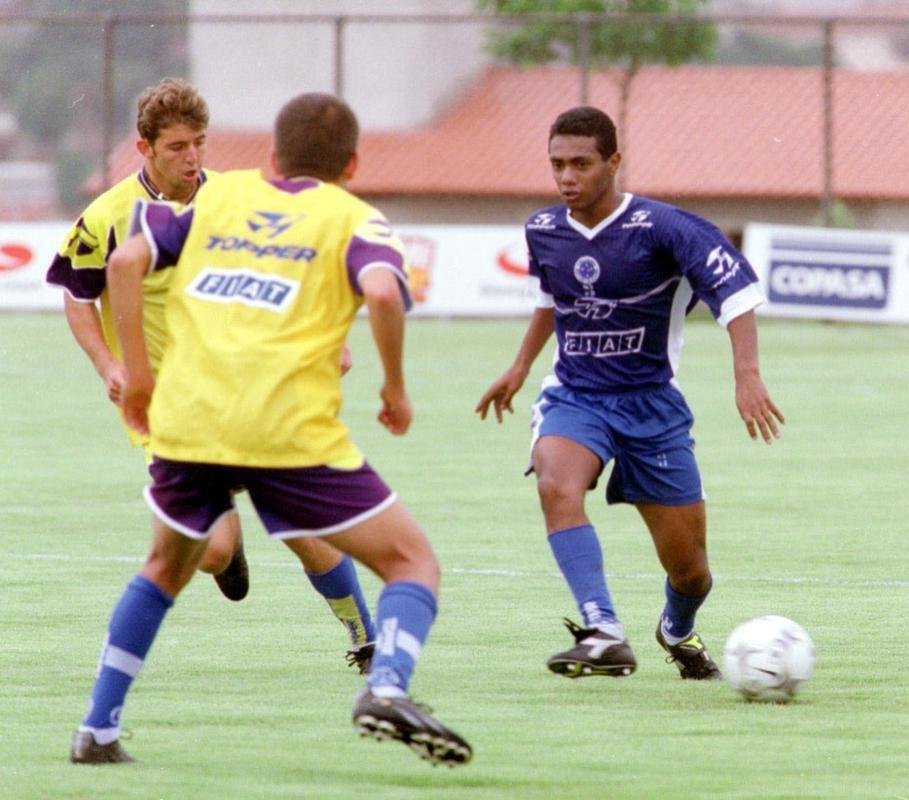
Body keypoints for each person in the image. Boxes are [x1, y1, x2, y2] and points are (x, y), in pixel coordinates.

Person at [69, 91, 471, 767]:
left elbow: (124, 263)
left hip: (190, 420)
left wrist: (135, 376)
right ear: (352, 164)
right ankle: (385, 685)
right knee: (411, 562)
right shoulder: (356, 218)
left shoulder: (218, 200)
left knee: (164, 567)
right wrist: (395, 387)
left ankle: (97, 730)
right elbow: (381, 293)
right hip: (284, 431)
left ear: (274, 157)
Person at [47, 78, 377, 671]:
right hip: (167, 408)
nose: (192, 157)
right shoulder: (108, 216)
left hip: (247, 389)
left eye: (199, 142)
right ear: (145, 148)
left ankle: (365, 639)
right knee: (212, 552)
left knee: (303, 525)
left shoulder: (235, 200)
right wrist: (108, 364)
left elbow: (291, 272)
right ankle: (228, 540)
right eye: (177, 147)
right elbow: (77, 294)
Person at [476, 106, 784, 682]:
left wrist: (746, 374)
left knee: (691, 572)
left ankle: (677, 629)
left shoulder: (666, 228)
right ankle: (603, 630)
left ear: (613, 162)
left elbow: (736, 292)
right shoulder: (543, 229)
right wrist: (519, 367)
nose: (567, 176)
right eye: (557, 164)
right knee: (555, 483)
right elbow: (551, 299)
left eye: (581, 164)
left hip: (651, 405)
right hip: (575, 395)